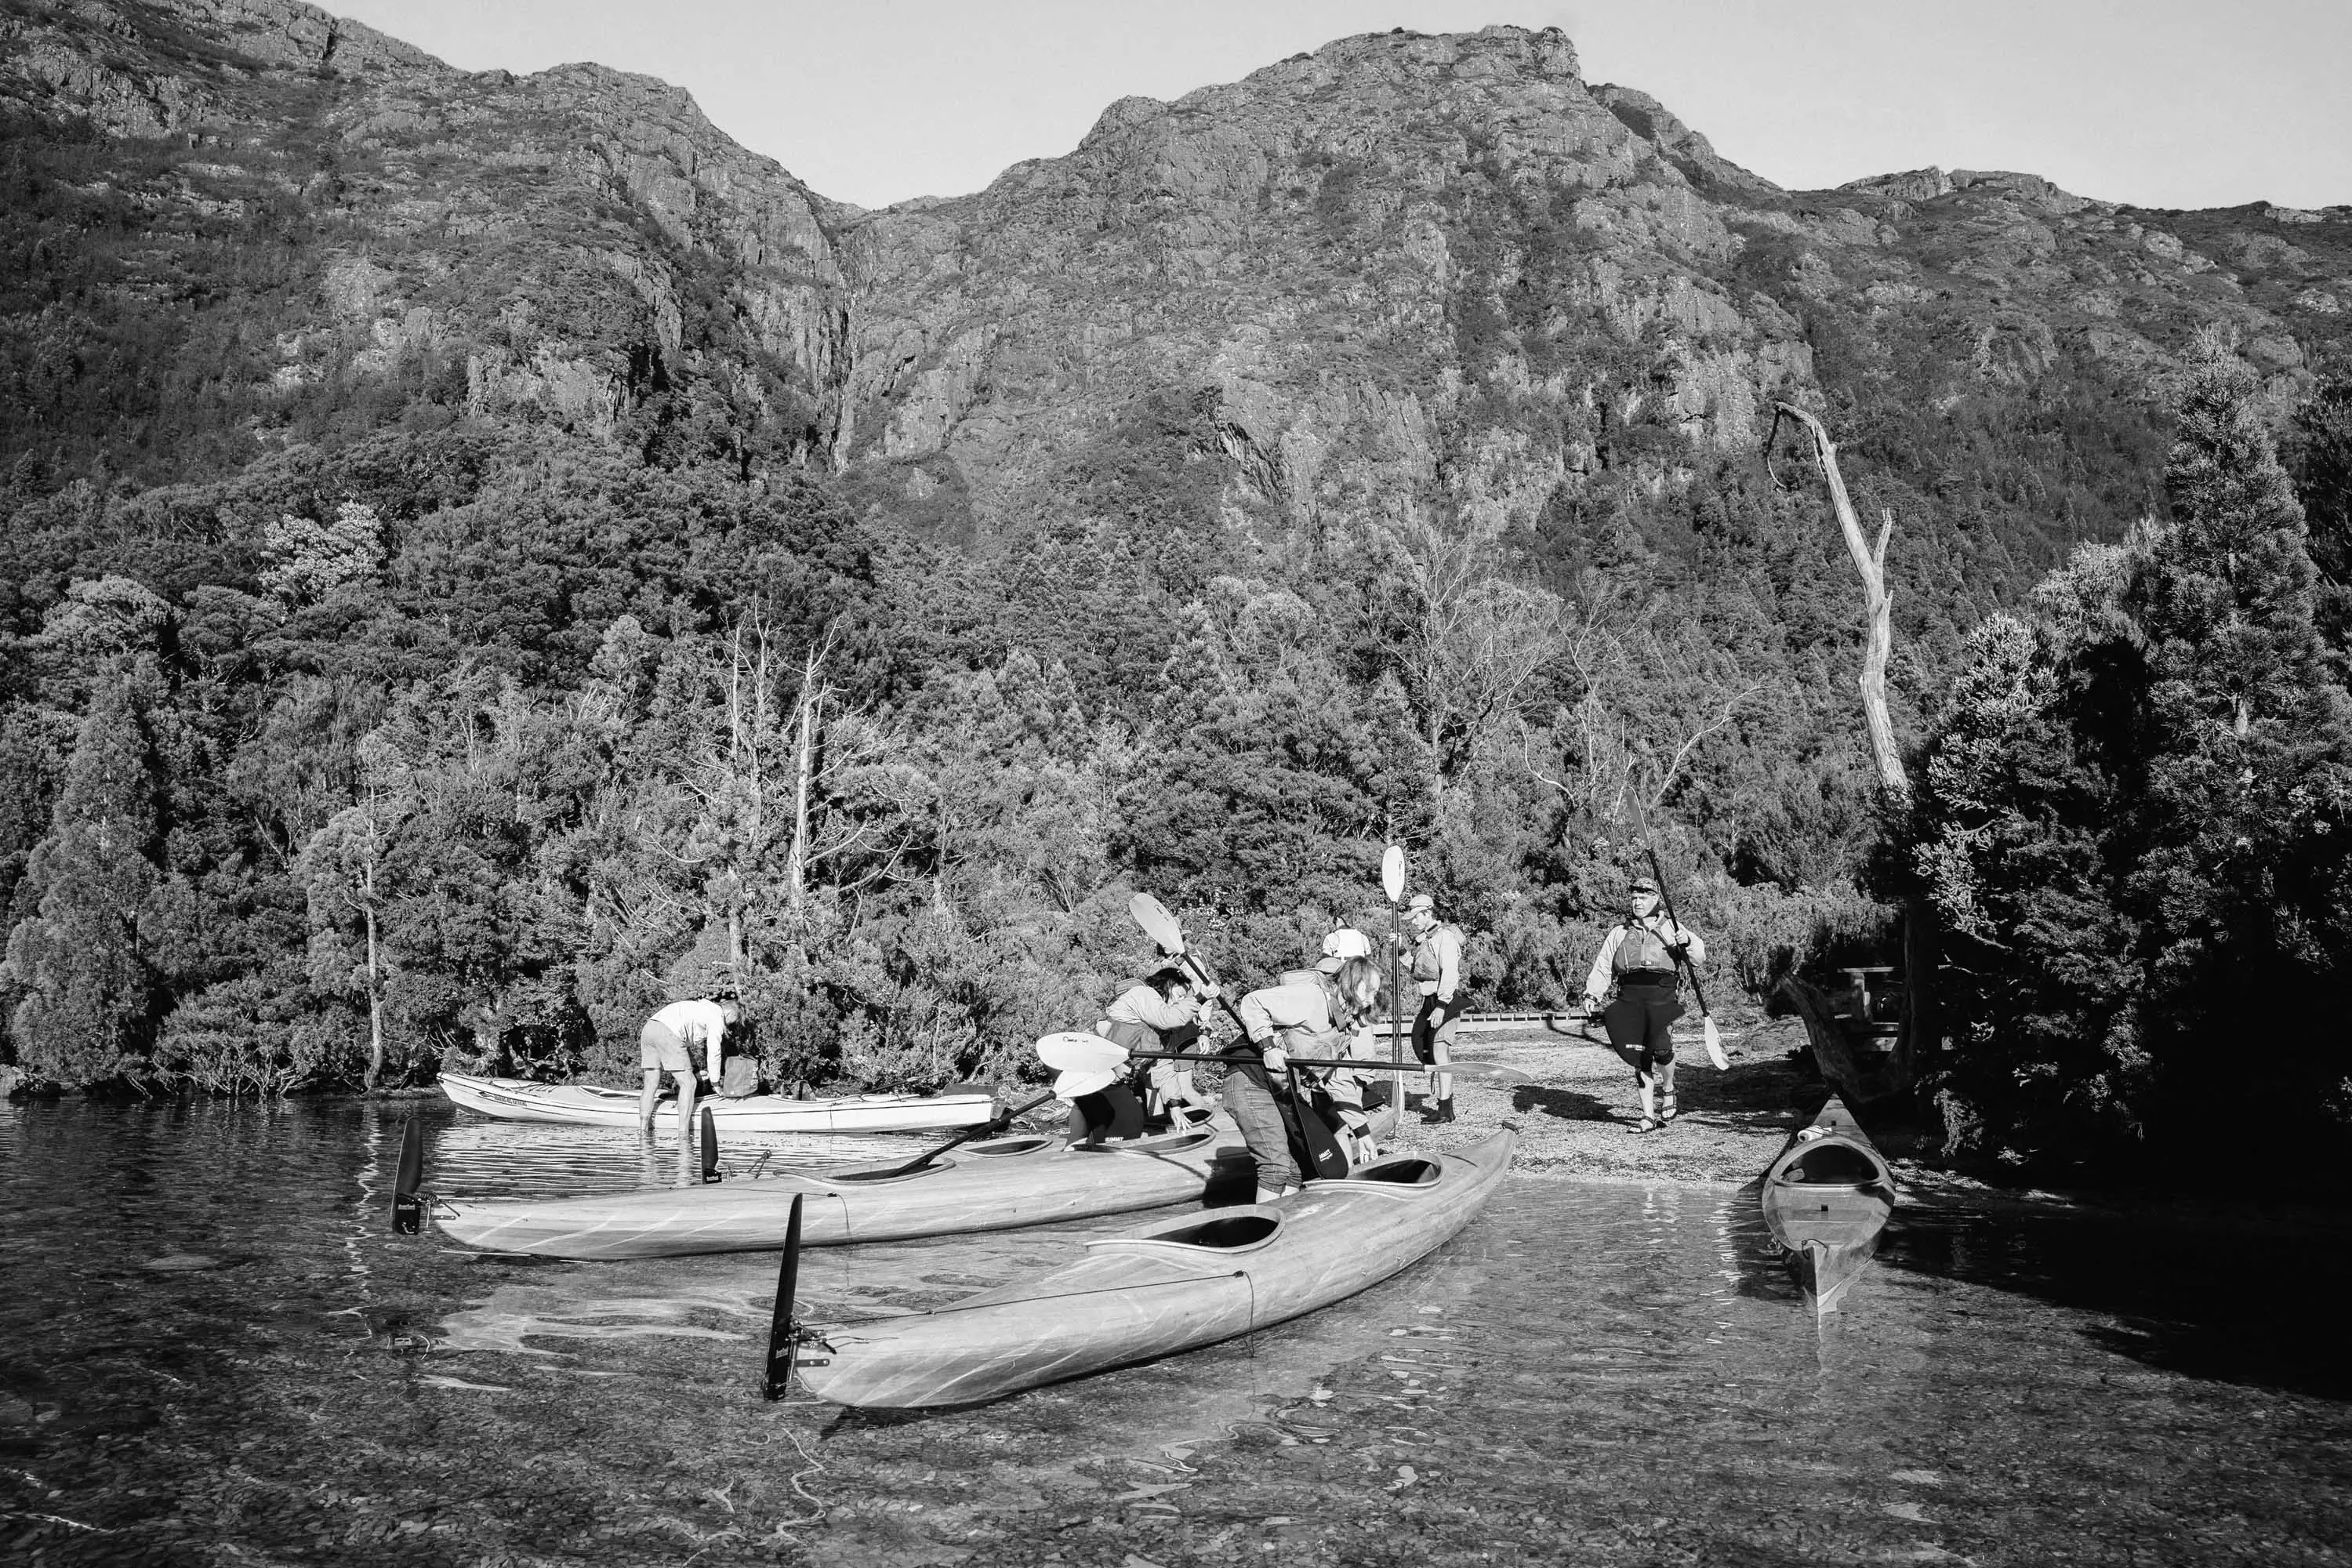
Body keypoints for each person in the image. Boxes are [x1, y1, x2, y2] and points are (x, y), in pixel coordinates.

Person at [1230, 953, 1384, 1202]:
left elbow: (1339, 1080)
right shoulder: (1312, 997)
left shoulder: (1341, 1026)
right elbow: (1253, 1002)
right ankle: (1267, 1234)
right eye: (1372, 990)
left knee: (1295, 1170)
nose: (1372, 999)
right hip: (1251, 1078)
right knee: (1276, 1167)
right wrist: (1268, 1047)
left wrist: (1363, 1133)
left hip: (1280, 1087)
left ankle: (1291, 1224)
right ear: (1356, 983)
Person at [1582, 873, 1707, 1133]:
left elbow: (1698, 958)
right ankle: (1648, 1116)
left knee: (1662, 1050)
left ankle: (1669, 1086)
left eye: (1643, 897)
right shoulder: (1619, 932)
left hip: (1662, 996)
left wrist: (1688, 942)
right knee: (1641, 1057)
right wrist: (1592, 993)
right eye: (1634, 897)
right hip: (1630, 997)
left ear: (1656, 899)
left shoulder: (1673, 927)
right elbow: (1604, 965)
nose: (1637, 902)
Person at [1083, 967, 1215, 1141]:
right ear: (1168, 985)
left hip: (1110, 1079)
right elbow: (1169, 1017)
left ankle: (1090, 1148)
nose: (1181, 1002)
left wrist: (1175, 1105)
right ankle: (1095, 1153)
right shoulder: (1143, 994)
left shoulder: (1163, 1035)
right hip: (1087, 1068)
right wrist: (1201, 997)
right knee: (1128, 1119)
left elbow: (1163, 1069)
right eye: (1180, 996)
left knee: (1124, 1120)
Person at [638, 996, 741, 1147]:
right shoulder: (717, 1017)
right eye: (732, 1022)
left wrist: (695, 1070)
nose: (729, 1026)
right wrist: (715, 1082)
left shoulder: (701, 1007)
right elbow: (714, 1052)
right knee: (689, 1083)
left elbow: (682, 1047)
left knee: (651, 1083)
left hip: (650, 1028)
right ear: (729, 1014)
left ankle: (643, 1132)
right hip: (667, 1032)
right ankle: (683, 1136)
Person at [1404, 894, 1467, 1123]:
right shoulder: (1426, 940)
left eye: (1416, 917)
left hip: (1445, 1002)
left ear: (1428, 913)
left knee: (1441, 1052)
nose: (1413, 922)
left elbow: (1450, 973)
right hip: (1431, 1002)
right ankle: (1444, 1107)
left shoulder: (1445, 938)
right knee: (1431, 1052)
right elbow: (1418, 968)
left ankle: (1445, 1109)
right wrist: (1401, 951)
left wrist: (1441, 1006)